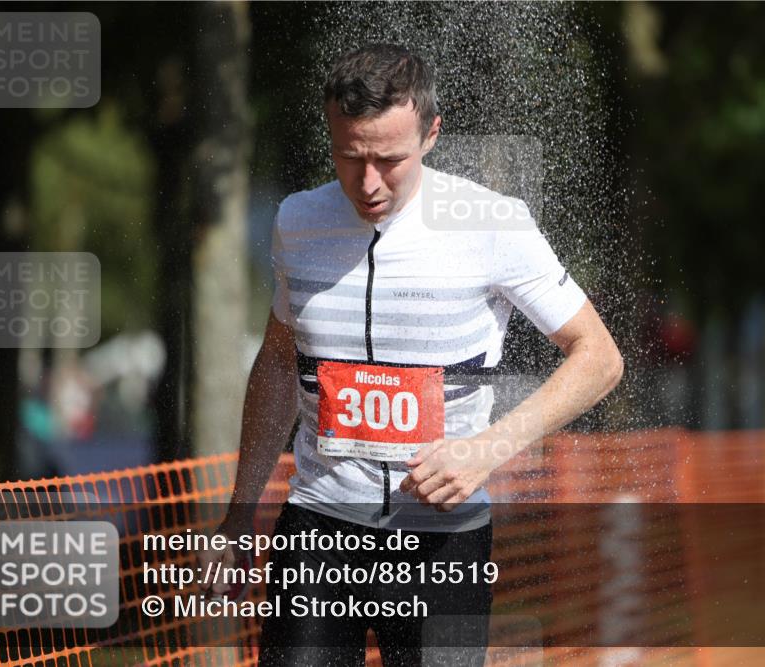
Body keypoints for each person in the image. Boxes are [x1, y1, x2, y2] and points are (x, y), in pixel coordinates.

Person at [201, 43, 624, 666]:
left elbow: (599, 357)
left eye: (389, 159)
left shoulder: (490, 223)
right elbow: (277, 363)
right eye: (350, 157)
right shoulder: (298, 221)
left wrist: (487, 450)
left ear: (431, 133)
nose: (368, 183)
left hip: (443, 545)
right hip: (319, 530)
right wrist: (238, 519)